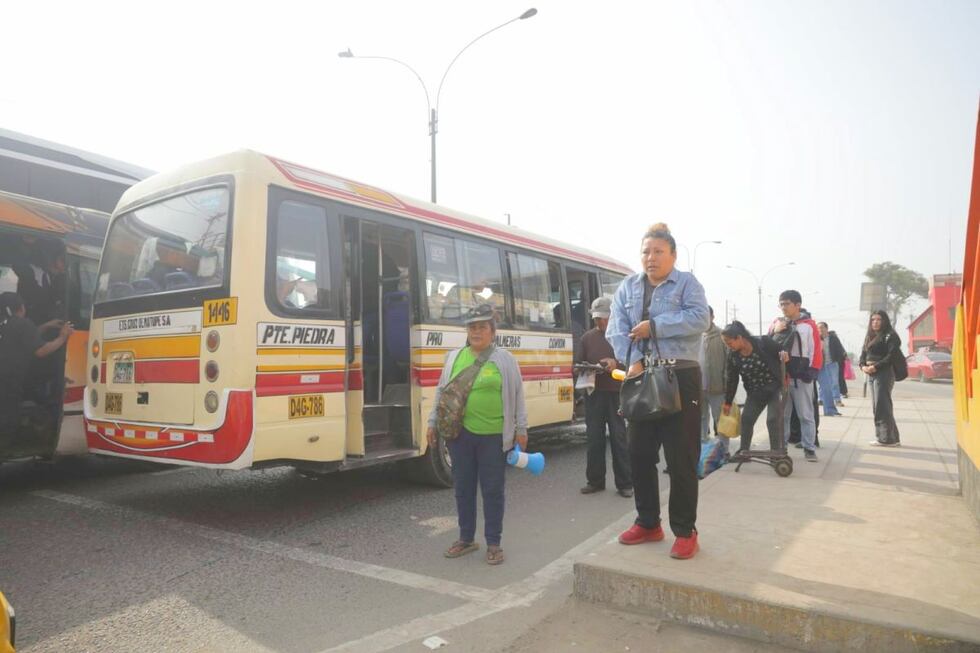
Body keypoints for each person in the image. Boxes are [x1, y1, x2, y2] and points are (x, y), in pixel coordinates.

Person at [606, 223, 709, 560]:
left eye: (658, 252)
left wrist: (656, 326)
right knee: (639, 453)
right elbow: (616, 328)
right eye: (646, 252)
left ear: (673, 255)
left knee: (681, 458)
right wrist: (632, 360)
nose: (651, 258)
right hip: (641, 374)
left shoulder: (688, 284)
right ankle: (648, 522)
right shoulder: (628, 287)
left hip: (680, 374)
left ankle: (684, 530)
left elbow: (699, 319)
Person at [426, 303, 527, 565]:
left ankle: (494, 543)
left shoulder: (505, 359)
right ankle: (466, 538)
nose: (477, 332)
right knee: (463, 489)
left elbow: (517, 395)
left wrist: (521, 428)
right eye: (472, 327)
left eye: (482, 327)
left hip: (493, 437)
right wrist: (432, 422)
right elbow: (441, 392)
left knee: (493, 490)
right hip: (459, 436)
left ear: (493, 331)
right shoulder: (454, 357)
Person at [0, 293, 74, 449]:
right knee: (8, 420)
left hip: (4, 379)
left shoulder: (6, 323)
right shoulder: (22, 324)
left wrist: (46, 325)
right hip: (10, 382)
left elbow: (25, 336)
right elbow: (41, 351)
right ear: (21, 308)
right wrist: (62, 337)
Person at [576, 296, 632, 497]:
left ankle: (625, 484)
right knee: (594, 439)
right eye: (597, 318)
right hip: (594, 393)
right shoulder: (587, 338)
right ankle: (595, 481)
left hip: (618, 393)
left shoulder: (623, 336)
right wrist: (586, 369)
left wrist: (616, 363)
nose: (600, 322)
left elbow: (634, 364)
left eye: (604, 318)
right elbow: (577, 364)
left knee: (619, 438)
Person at [720, 321, 789, 455]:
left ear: (739, 338)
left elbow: (781, 349)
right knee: (746, 420)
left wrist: (784, 354)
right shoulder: (733, 356)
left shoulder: (763, 342)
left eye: (729, 342)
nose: (728, 346)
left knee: (772, 420)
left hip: (775, 389)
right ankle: (744, 451)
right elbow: (732, 380)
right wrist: (728, 402)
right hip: (755, 393)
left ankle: (776, 452)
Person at [769, 291, 822, 462]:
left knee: (805, 415)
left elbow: (816, 351)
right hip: (782, 376)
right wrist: (775, 331)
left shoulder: (809, 325)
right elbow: (766, 344)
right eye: (781, 304)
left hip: (802, 376)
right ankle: (781, 447)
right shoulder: (777, 323)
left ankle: (809, 448)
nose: (783, 307)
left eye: (787, 304)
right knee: (782, 415)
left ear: (797, 305)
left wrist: (811, 372)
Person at [860, 310, 902, 446]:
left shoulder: (891, 336)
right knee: (880, 406)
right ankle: (892, 437)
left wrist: (876, 366)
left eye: (878, 319)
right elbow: (863, 354)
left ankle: (885, 439)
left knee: (881, 406)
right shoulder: (870, 336)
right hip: (871, 373)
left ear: (884, 321)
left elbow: (891, 356)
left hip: (884, 373)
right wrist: (862, 366)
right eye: (873, 320)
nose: (875, 322)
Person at [700, 307, 727, 442]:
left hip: (717, 387)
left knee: (720, 419)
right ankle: (702, 448)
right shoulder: (693, 337)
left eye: (706, 315)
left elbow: (729, 363)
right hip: (698, 388)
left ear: (712, 317)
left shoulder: (722, 336)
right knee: (701, 418)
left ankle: (724, 450)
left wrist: (726, 383)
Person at [816, 322, 845, 417]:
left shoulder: (833, 338)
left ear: (826, 328)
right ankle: (821, 399)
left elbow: (840, 350)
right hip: (820, 364)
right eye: (818, 328)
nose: (820, 330)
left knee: (834, 382)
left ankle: (836, 399)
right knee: (822, 385)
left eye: (822, 328)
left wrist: (838, 360)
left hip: (832, 363)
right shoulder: (816, 338)